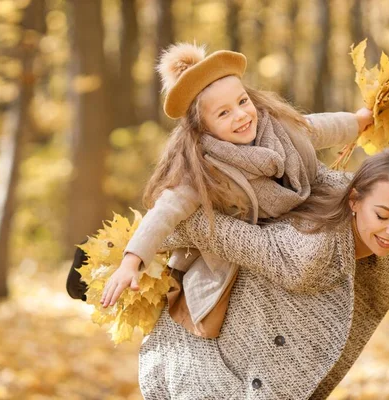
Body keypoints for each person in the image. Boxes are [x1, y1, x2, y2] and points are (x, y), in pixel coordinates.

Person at [138, 149, 389, 399]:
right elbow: (205, 226)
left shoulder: (385, 267)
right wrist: (136, 249)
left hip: (258, 364)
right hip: (200, 362)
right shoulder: (309, 251)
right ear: (354, 200)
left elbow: (332, 356)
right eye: (383, 215)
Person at [99, 42, 373, 338]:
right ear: (203, 128)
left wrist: (357, 122)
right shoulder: (205, 169)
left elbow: (317, 127)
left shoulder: (280, 129)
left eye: (243, 102)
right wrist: (132, 260)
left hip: (289, 229)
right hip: (240, 249)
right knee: (218, 315)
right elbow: (166, 209)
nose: (241, 116)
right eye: (223, 113)